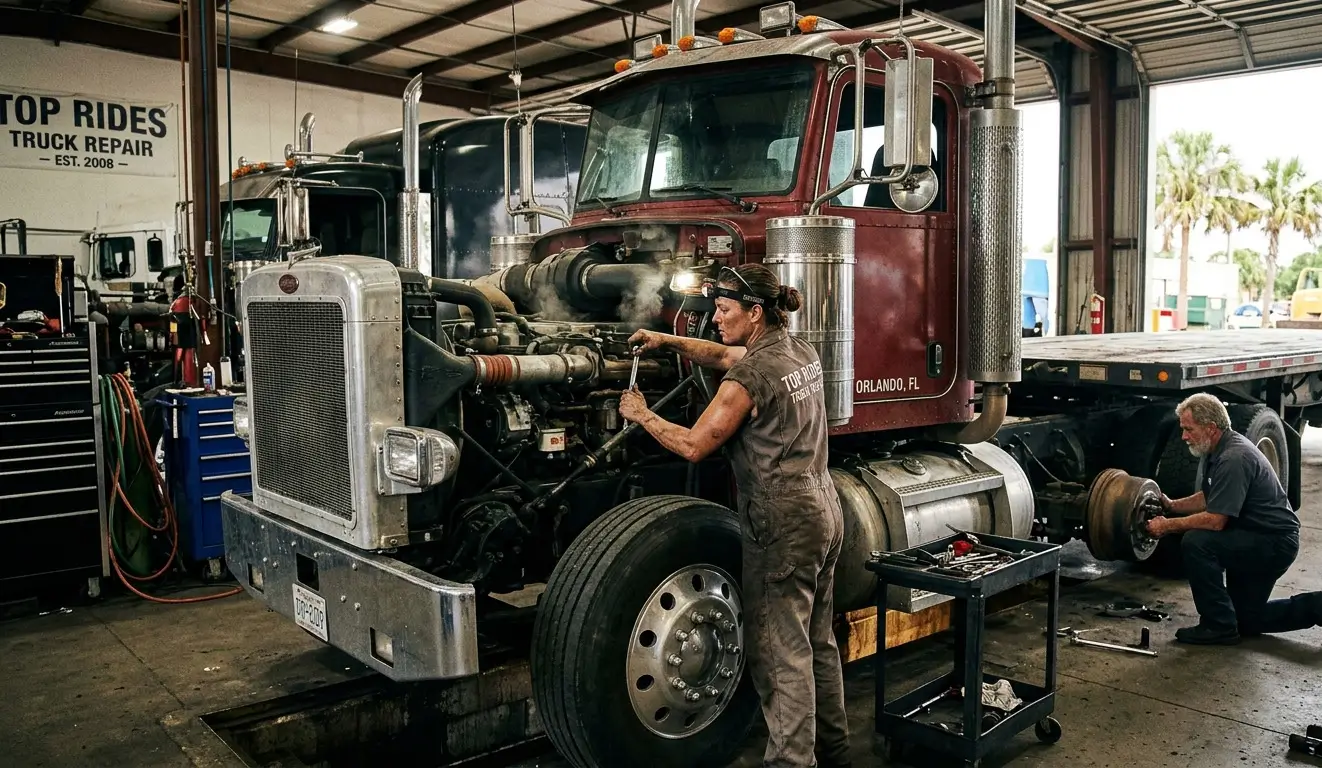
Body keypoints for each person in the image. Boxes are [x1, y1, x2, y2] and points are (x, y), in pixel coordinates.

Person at [618, 263, 851, 768]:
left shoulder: (748, 379)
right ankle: (836, 754)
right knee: (817, 642)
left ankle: (792, 763)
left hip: (782, 521)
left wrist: (641, 414)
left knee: (777, 654)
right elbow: (724, 353)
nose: (716, 319)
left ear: (755, 312)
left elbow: (694, 444)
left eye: (724, 310)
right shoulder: (797, 350)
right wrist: (667, 340)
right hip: (824, 508)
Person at [1144, 393, 1322, 645]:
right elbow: (1210, 496)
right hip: (1253, 536)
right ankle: (1318, 606)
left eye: (1188, 429)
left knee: (1197, 542)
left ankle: (1217, 626)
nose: (1183, 436)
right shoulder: (1216, 448)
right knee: (1247, 620)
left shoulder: (1233, 458)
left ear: (1210, 428)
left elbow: (1216, 521)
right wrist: (1173, 506)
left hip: (1272, 543)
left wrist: (1166, 526)